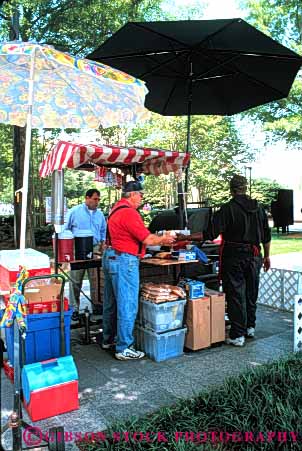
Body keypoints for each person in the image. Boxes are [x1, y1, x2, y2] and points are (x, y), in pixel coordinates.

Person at [177, 175, 271, 347]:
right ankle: (250, 326)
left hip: (234, 256)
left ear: (232, 189)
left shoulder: (227, 209)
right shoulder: (259, 209)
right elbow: (266, 235)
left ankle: (237, 335)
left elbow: (209, 234)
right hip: (255, 255)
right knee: (251, 292)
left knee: (236, 294)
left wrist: (187, 236)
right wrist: (267, 256)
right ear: (245, 187)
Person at [102, 180, 176, 360]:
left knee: (111, 303)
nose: (142, 198)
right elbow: (148, 240)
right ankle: (124, 347)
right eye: (140, 194)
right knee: (128, 304)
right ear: (132, 195)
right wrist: (164, 239)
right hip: (125, 260)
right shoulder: (129, 213)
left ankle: (108, 339)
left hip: (111, 257)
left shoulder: (115, 209)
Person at [65, 188, 106, 321]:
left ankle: (97, 305)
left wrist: (102, 244)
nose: (97, 202)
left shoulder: (99, 214)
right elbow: (65, 229)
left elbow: (103, 231)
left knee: (95, 279)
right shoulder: (74, 211)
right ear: (87, 198)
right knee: (75, 279)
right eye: (95, 199)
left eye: (98, 199)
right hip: (78, 249)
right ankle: (74, 308)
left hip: (94, 248)